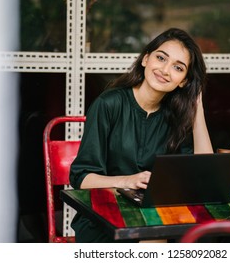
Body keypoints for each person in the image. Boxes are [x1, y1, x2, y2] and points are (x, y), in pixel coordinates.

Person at [69, 28, 213, 242]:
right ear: (146, 59)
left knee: (203, 238)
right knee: (155, 237)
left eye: (178, 67)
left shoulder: (176, 117)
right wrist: (128, 181)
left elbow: (205, 175)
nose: (165, 70)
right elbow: (81, 178)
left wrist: (197, 109)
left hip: (156, 217)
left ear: (183, 81)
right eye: (161, 58)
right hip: (103, 218)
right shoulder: (109, 104)